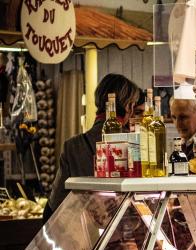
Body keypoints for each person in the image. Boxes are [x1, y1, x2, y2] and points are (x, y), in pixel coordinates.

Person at [46, 74, 141, 220]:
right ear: (129, 106)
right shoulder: (135, 142)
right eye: (133, 104)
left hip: (85, 231)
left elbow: (54, 206)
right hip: (123, 231)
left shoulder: (72, 146)